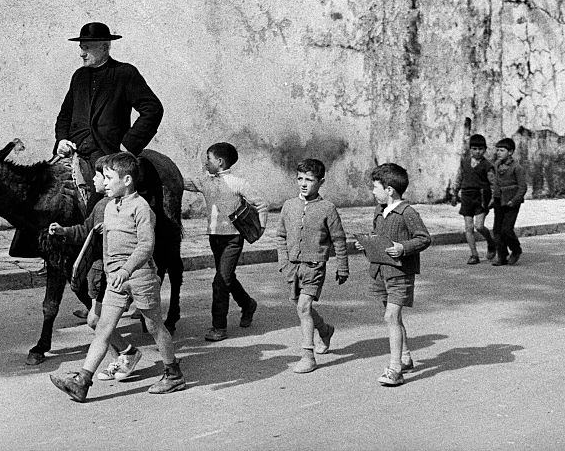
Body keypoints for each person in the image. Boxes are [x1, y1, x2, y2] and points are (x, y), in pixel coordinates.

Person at [49, 153, 185, 402]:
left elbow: (146, 245)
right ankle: (82, 381)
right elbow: (103, 237)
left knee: (155, 326)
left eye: (109, 178)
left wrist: (125, 270)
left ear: (128, 180)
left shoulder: (141, 207)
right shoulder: (111, 207)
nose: (104, 182)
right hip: (116, 279)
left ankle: (173, 374)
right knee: (102, 328)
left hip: (140, 277)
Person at [49, 156, 140, 382]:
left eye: (100, 176)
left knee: (96, 321)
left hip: (113, 274)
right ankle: (124, 356)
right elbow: (85, 229)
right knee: (98, 322)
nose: (94, 179)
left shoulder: (127, 207)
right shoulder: (101, 204)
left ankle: (130, 355)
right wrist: (64, 231)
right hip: (101, 273)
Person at [53, 22, 163, 192]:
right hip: (75, 151)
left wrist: (128, 146)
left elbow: (153, 109)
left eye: (87, 48)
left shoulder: (124, 73)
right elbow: (65, 116)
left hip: (106, 152)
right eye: (81, 48)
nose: (82, 54)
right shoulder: (79, 76)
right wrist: (61, 140)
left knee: (99, 200)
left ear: (104, 47)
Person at [356, 163, 431, 387]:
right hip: (381, 271)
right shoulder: (379, 211)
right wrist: (367, 245)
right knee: (394, 318)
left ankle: (395, 368)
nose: (372, 192)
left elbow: (424, 238)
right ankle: (405, 356)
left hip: (401, 273)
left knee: (390, 317)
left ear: (389, 190)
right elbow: (379, 237)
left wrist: (403, 248)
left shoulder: (407, 212)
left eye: (375, 187)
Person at [184, 142, 266, 342]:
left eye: (208, 159)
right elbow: (182, 182)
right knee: (226, 276)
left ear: (219, 162)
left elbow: (261, 203)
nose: (205, 163)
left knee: (220, 281)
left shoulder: (237, 183)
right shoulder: (205, 182)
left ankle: (219, 327)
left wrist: (261, 227)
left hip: (233, 238)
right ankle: (247, 304)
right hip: (215, 238)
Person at [274, 158, 348, 373]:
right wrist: (283, 263)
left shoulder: (328, 208)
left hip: (315, 267)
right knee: (301, 306)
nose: (303, 184)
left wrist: (342, 267)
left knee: (303, 307)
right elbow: (280, 236)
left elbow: (339, 240)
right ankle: (325, 330)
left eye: (310, 179)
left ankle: (308, 356)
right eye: (300, 179)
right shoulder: (289, 206)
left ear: (321, 182)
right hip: (293, 267)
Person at [452, 134, 496, 265]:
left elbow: (493, 184)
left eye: (481, 149)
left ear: (485, 149)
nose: (478, 152)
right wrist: (454, 193)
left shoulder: (487, 165)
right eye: (475, 149)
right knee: (468, 227)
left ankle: (491, 242)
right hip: (466, 196)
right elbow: (459, 178)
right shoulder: (464, 162)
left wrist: (493, 198)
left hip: (481, 197)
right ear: (470, 149)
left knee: (479, 226)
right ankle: (474, 254)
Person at [491, 137, 527, 266]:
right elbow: (495, 182)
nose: (498, 153)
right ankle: (502, 255)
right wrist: (492, 198)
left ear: (510, 152)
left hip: (511, 202)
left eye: (502, 150)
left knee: (507, 229)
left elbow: (523, 187)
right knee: (497, 230)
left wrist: (514, 200)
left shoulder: (517, 168)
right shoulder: (496, 165)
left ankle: (516, 250)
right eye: (497, 150)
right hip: (498, 200)